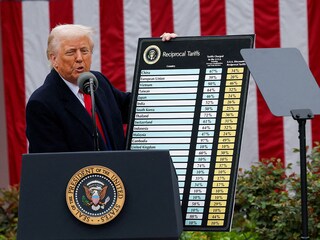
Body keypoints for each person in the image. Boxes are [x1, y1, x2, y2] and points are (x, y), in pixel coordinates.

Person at [26, 24, 177, 153]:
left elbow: (136, 108)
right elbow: (52, 165)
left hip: (121, 179)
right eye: (71, 52)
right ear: (54, 59)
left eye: (84, 51)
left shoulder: (97, 82)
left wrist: (166, 55)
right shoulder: (41, 103)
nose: (79, 58)